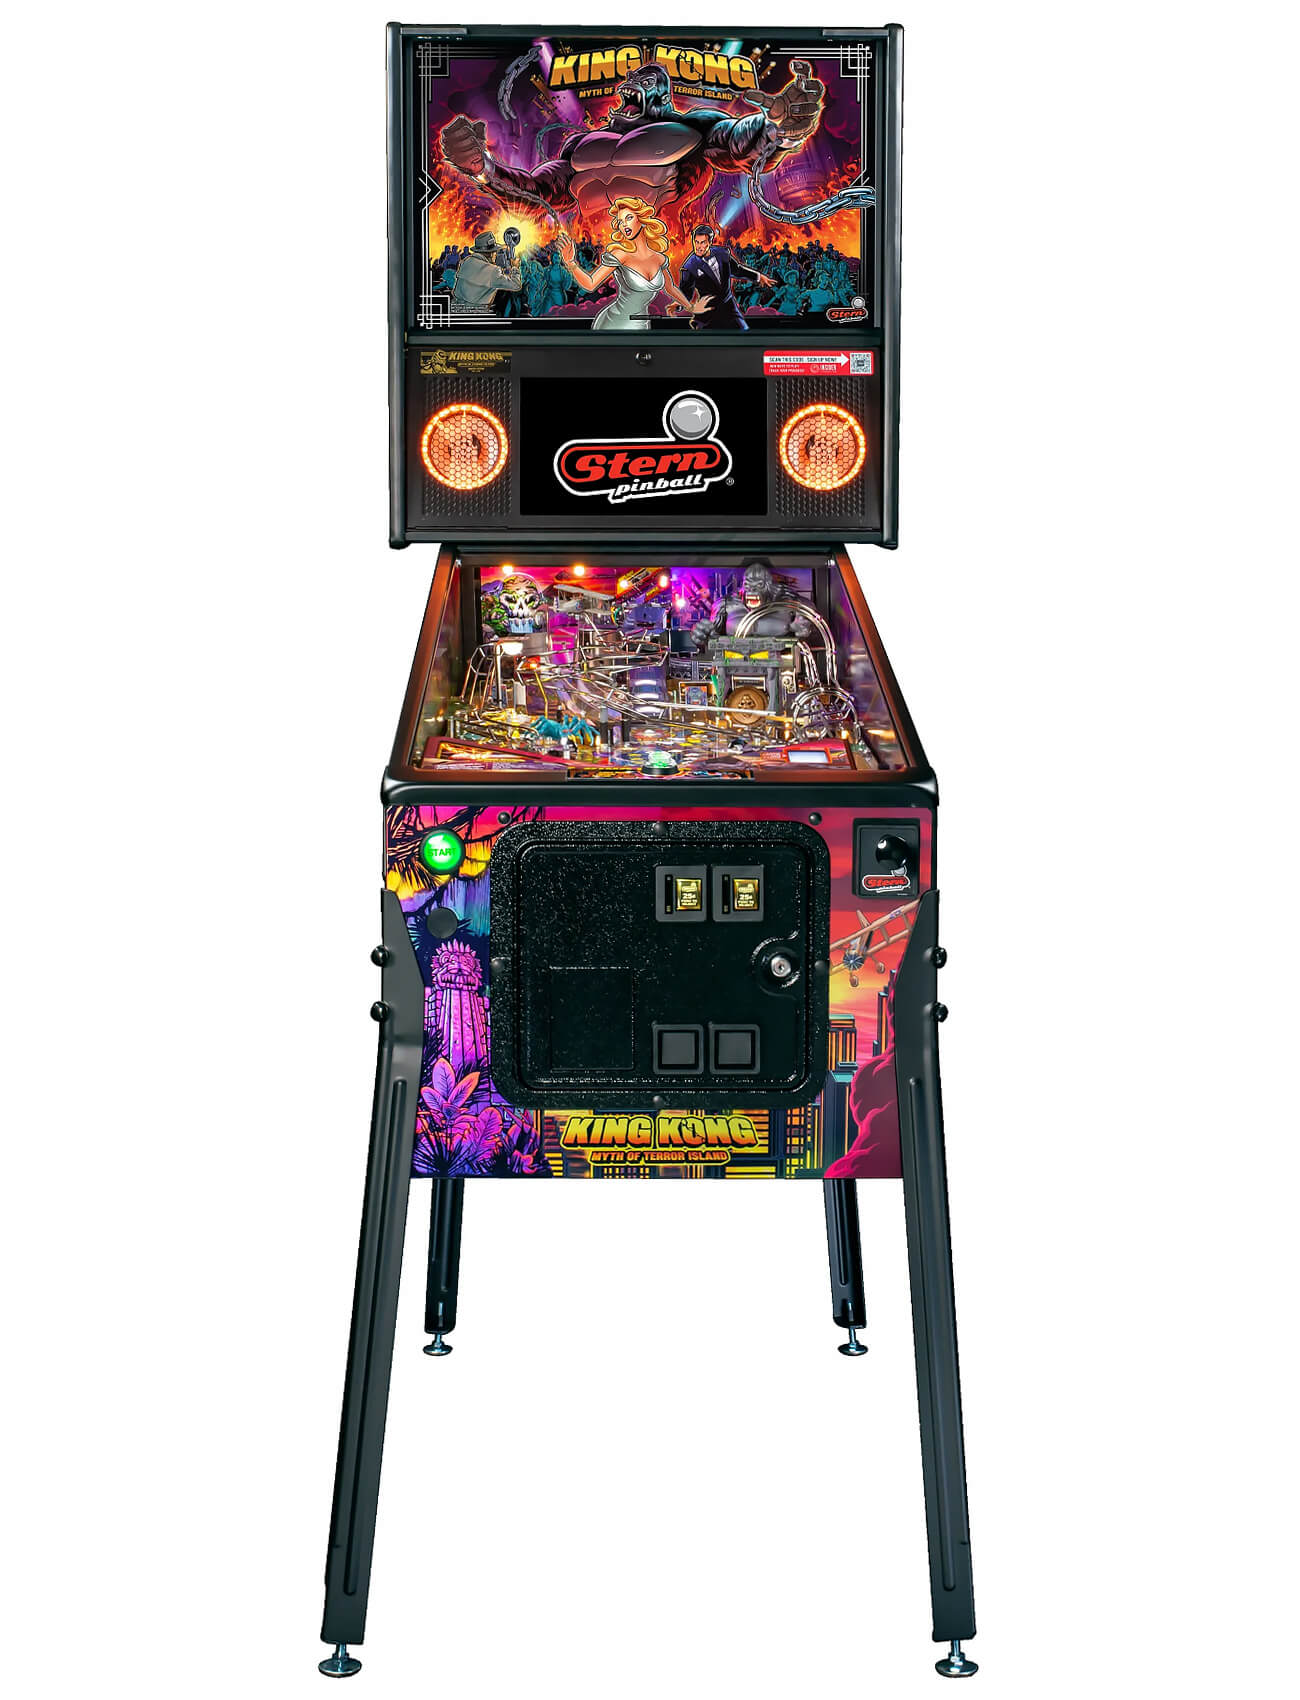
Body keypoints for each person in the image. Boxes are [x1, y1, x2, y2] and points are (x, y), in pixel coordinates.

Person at [555, 198, 704, 331]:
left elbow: (670, 288)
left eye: (629, 218)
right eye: (620, 221)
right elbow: (590, 284)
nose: (624, 224)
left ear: (641, 220)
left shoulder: (659, 258)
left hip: (641, 324)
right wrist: (571, 262)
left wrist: (691, 307)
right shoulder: (620, 255)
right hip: (613, 324)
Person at [679, 224, 777, 330]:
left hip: (729, 309)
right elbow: (685, 291)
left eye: (702, 242)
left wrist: (758, 277)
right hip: (707, 314)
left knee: (744, 334)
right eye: (696, 242)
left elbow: (738, 270)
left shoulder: (723, 254)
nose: (698, 246)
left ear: (709, 242)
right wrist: (678, 304)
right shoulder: (689, 266)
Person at [451, 230, 523, 311]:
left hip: (455, 308)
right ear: (491, 253)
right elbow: (516, 285)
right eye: (495, 252)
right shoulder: (493, 271)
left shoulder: (466, 261)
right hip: (476, 313)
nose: (495, 254)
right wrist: (515, 268)